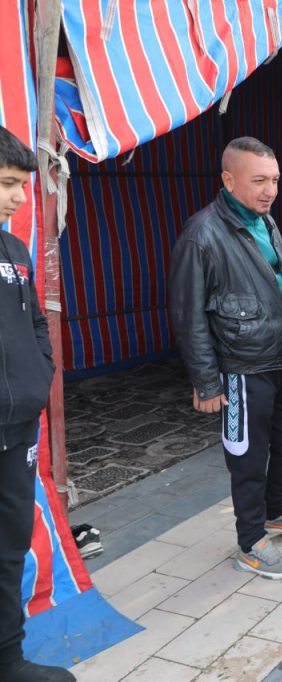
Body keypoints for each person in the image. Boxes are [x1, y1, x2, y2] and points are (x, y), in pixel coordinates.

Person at [169, 137, 282, 581]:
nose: (270, 191)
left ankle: (273, 512)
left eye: (275, 180)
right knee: (247, 459)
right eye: (259, 181)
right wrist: (206, 381)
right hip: (240, 368)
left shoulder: (265, 221)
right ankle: (251, 542)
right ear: (228, 180)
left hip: (281, 361)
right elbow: (187, 314)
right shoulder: (202, 234)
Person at [0, 129, 70, 682]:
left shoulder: (17, 251)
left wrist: (39, 373)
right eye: (7, 184)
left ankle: (8, 659)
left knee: (8, 548)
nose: (19, 197)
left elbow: (37, 324)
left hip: (19, 429)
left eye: (22, 185)